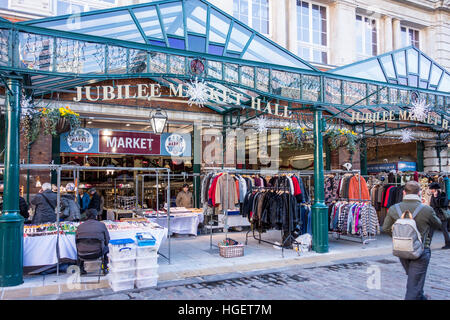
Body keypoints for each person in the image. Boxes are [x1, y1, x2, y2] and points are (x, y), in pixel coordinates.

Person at [382, 181, 442, 300]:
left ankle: (421, 297)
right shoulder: (426, 210)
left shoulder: (394, 208)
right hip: (421, 250)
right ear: (419, 193)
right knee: (414, 285)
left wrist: (398, 238)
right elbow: (438, 224)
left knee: (414, 280)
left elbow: (385, 228)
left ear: (404, 193)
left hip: (402, 249)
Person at [75, 208, 110, 275]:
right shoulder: (101, 225)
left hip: (81, 253)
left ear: (86, 216)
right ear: (96, 216)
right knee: (107, 247)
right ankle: (105, 267)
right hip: (98, 252)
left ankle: (81, 269)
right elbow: (107, 240)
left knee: (80, 246)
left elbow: (76, 241)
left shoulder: (79, 227)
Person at [429, 182, 450, 249]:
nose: (430, 190)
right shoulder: (432, 195)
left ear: (435, 189)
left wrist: (436, 198)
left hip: (442, 215)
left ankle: (448, 244)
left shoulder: (443, 195)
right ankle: (427, 244)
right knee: (431, 230)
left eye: (431, 189)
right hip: (434, 215)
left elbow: (442, 205)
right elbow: (432, 205)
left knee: (444, 230)